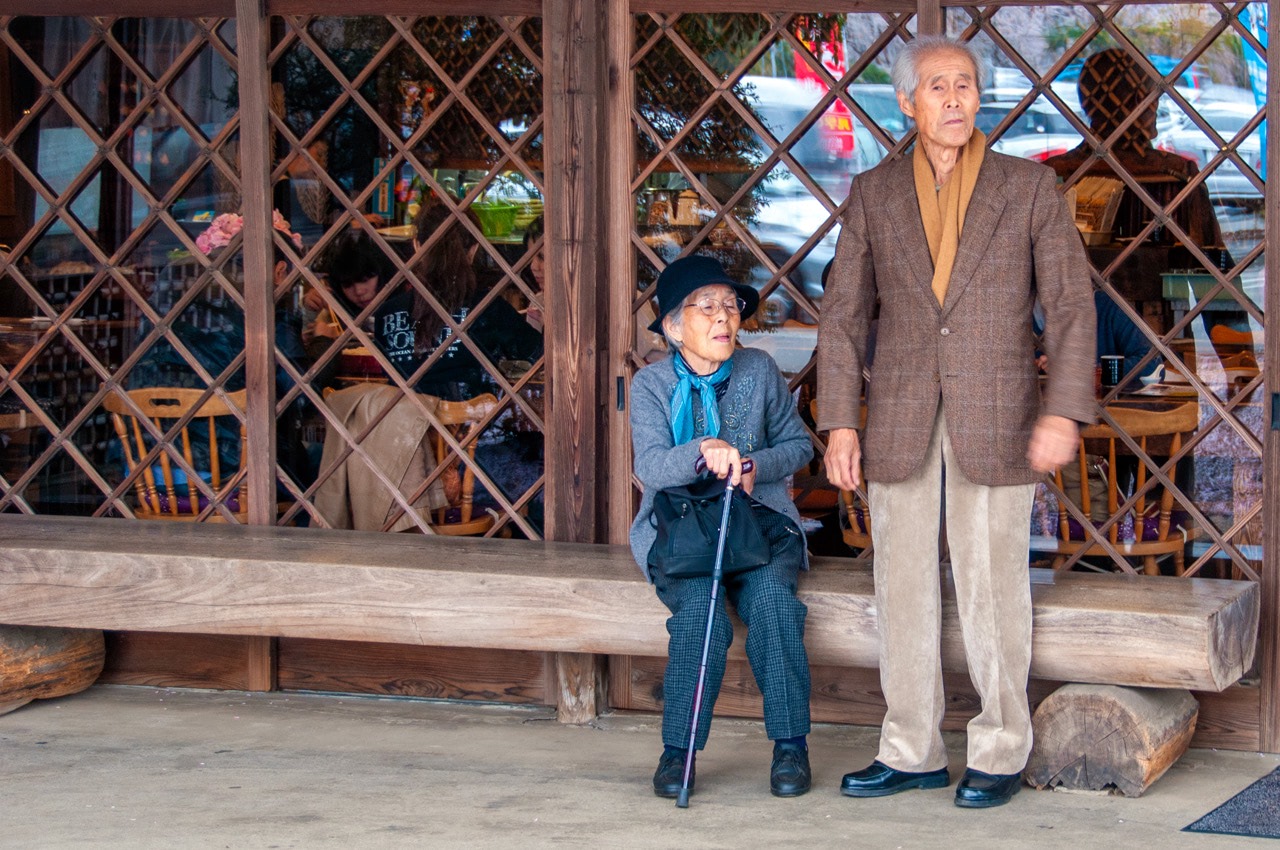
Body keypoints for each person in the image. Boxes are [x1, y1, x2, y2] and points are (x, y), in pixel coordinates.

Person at [816, 36, 1097, 809]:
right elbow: (842, 318)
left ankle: (1001, 750)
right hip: (902, 413)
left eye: (965, 85)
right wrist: (841, 421)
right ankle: (910, 749)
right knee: (899, 587)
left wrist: (1064, 410)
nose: (953, 98)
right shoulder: (873, 192)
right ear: (906, 102)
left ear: (979, 98)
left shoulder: (1030, 188)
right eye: (936, 86)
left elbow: (1072, 308)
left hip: (1000, 411)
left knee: (992, 585)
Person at [629, 255, 814, 800]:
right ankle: (678, 752)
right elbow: (652, 467)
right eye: (706, 307)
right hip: (683, 531)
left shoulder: (758, 371)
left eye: (730, 306)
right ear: (672, 326)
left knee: (774, 605)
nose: (723, 318)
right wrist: (703, 452)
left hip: (758, 526)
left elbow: (798, 445)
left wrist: (753, 464)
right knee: (703, 616)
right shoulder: (652, 384)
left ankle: (790, 746)